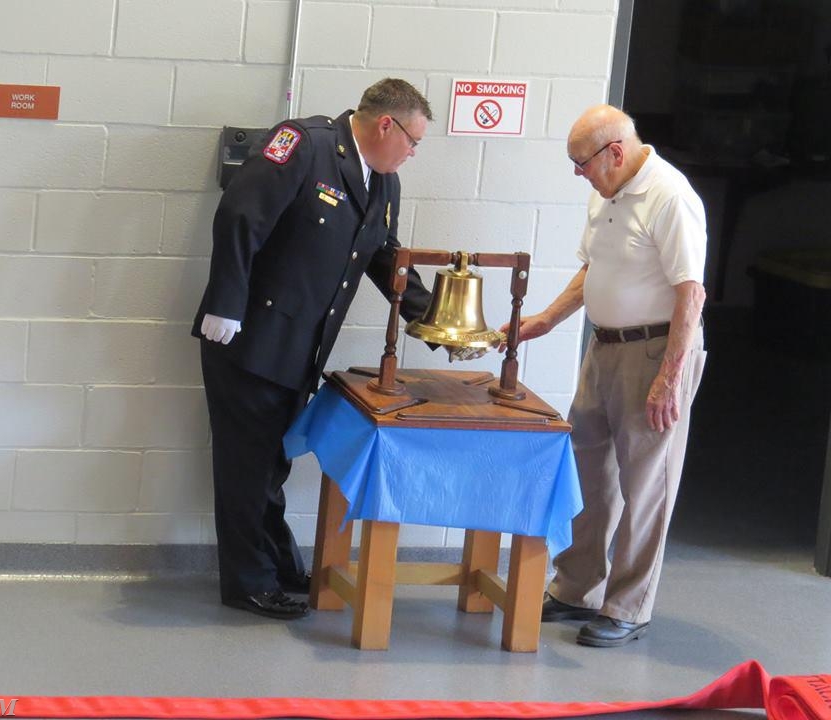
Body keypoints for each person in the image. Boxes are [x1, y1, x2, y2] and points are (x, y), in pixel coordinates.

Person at [193, 78, 474, 620]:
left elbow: (385, 260)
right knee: (246, 466)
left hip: (300, 348)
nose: (414, 153)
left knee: (270, 464)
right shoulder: (305, 145)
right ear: (385, 124)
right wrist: (225, 302)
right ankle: (248, 582)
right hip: (248, 337)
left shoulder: (383, 182)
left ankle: (274, 564)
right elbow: (239, 215)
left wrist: (439, 325)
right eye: (413, 141)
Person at [515, 104, 708, 647]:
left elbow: (690, 295)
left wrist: (669, 380)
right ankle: (577, 588)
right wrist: (547, 319)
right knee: (589, 474)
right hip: (602, 349)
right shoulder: (606, 193)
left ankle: (629, 606)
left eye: (582, 163)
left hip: (655, 353)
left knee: (646, 482)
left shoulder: (671, 196)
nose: (578, 174)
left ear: (614, 153)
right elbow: (591, 269)